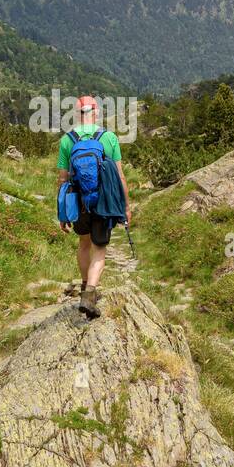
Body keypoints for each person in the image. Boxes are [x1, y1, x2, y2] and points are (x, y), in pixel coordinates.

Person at [57, 95, 130, 317]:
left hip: (79, 203)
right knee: (99, 248)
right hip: (104, 202)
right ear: (96, 113)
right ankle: (89, 295)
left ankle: (84, 286)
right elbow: (120, 177)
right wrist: (126, 207)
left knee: (84, 244)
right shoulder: (109, 138)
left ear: (77, 114)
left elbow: (62, 180)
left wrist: (62, 212)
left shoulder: (67, 140)